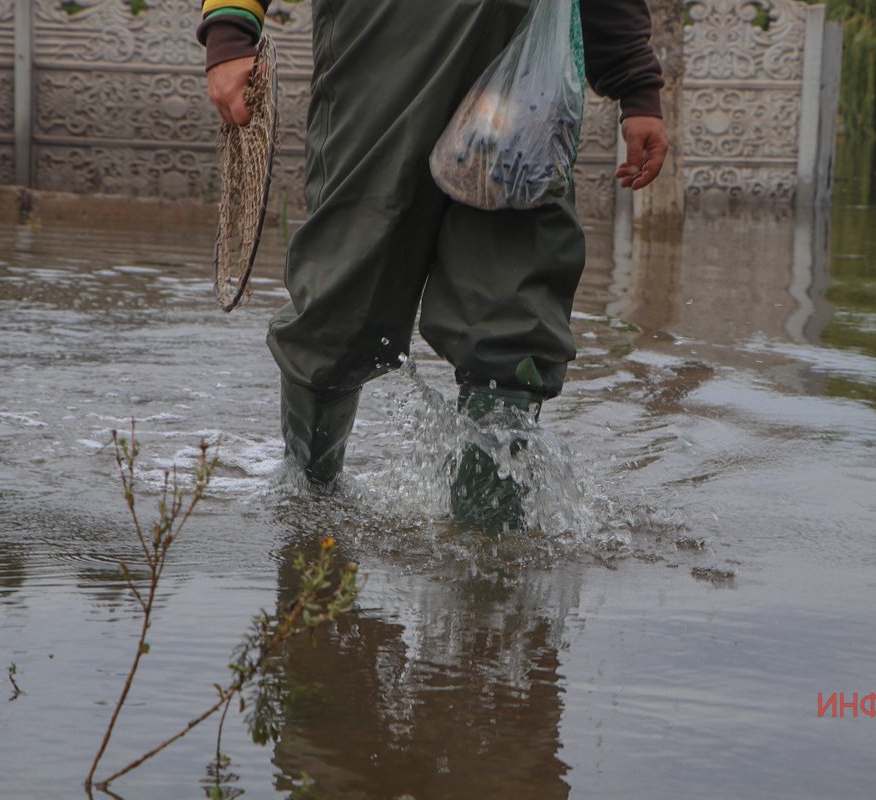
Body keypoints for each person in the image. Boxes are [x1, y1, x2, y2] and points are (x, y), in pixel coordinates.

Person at [197, 0, 669, 528]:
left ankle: (487, 552)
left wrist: (636, 87)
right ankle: (308, 518)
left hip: (523, 72)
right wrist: (230, 29)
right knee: (341, 291)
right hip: (381, 57)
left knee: (512, 317)